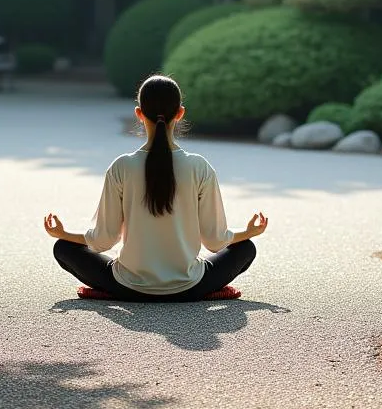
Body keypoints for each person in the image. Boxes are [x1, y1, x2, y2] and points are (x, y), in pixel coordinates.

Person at [45, 74, 267, 301]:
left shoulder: (121, 167)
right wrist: (249, 232)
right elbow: (215, 241)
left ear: (139, 114)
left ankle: (118, 289)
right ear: (180, 113)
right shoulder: (200, 167)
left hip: (128, 286)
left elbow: (103, 240)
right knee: (246, 248)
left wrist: (63, 234)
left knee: (63, 248)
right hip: (189, 287)